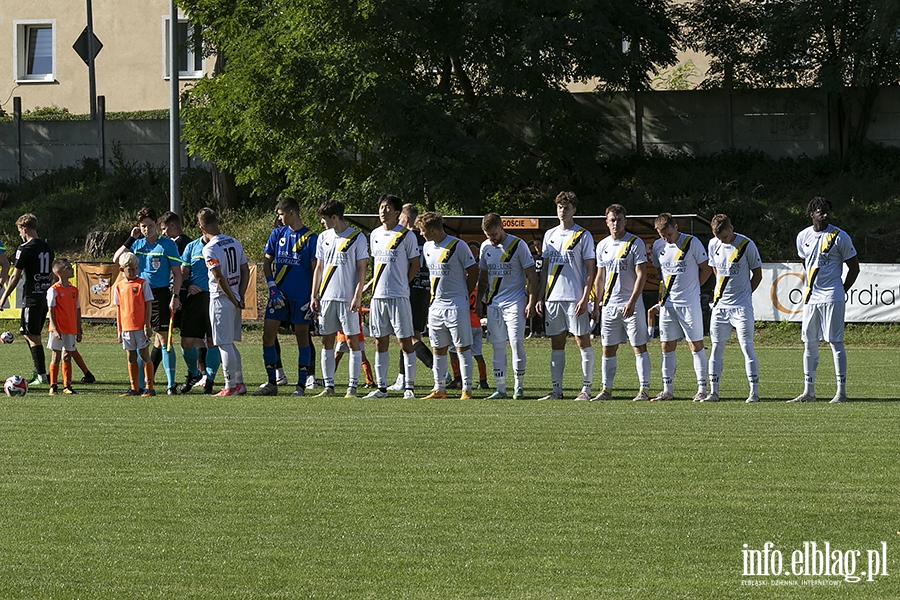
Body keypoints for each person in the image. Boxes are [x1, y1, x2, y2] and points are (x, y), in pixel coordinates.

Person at [790, 197, 859, 403]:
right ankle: (808, 392)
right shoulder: (803, 236)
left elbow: (854, 267)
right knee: (809, 343)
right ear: (812, 214)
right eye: (821, 211)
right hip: (811, 297)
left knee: (835, 342)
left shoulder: (840, 236)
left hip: (832, 296)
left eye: (827, 211)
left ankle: (841, 392)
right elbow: (805, 261)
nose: (825, 214)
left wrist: (841, 289)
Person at [113, 207, 183, 395]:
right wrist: (131, 238)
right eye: (143, 226)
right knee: (138, 341)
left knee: (163, 338)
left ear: (156, 225)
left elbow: (177, 274)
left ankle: (170, 384)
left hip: (160, 294)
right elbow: (116, 259)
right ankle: (139, 385)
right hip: (137, 296)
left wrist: (175, 297)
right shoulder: (137, 245)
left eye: (150, 225)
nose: (147, 229)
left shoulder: (167, 245)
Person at [535, 192, 596, 401]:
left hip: (574, 297)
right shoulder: (549, 234)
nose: (563, 211)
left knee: (582, 341)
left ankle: (586, 390)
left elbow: (590, 269)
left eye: (567, 207)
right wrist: (540, 297)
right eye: (560, 207)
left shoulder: (583, 235)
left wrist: (585, 297)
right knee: (557, 343)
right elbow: (544, 270)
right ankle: (556, 390)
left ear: (574, 210)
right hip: (553, 297)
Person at [255, 197, 318, 397]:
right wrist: (272, 286)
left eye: (281, 214)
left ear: (291, 213)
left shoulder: (310, 238)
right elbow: (266, 262)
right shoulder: (277, 234)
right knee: (268, 335)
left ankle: (300, 385)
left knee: (302, 338)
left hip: (301, 297)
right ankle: (272, 382)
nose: (279, 218)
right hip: (278, 295)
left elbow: (317, 269)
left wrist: (314, 297)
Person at [590, 204, 652, 402]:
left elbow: (642, 274)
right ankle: (606, 390)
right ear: (606, 222)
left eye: (619, 220)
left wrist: (632, 301)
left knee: (638, 346)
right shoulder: (602, 245)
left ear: (625, 221)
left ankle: (644, 389)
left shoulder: (635, 243)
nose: (616, 224)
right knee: (607, 347)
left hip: (631, 305)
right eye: (612, 220)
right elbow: (600, 278)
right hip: (609, 305)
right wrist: (597, 305)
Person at [648, 213, 712, 402]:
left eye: (668, 233)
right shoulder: (658, 247)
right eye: (662, 235)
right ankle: (667, 390)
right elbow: (662, 274)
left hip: (689, 303)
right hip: (668, 304)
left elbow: (706, 268)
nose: (666, 238)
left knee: (696, 344)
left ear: (676, 227)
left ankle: (701, 389)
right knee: (666, 345)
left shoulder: (692, 243)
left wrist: (694, 288)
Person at [415, 211, 479, 400]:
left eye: (423, 230)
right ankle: (439, 389)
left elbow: (473, 271)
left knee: (462, 347)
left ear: (433, 230)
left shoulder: (458, 246)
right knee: (438, 348)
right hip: (436, 305)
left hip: (456, 304)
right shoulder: (427, 247)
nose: (421, 234)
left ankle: (466, 389)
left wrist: (464, 294)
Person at [310, 199, 369, 398]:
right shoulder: (323, 237)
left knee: (352, 342)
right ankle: (329, 386)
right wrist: (314, 294)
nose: (322, 223)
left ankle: (352, 387)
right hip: (327, 298)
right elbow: (319, 267)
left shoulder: (357, 237)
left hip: (347, 299)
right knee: (327, 340)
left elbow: (362, 269)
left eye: (324, 219)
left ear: (335, 217)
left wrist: (358, 295)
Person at [364, 194, 421, 399]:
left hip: (399, 296)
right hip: (378, 296)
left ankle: (409, 388)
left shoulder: (407, 236)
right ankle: (381, 388)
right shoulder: (375, 234)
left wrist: (403, 283)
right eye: (381, 207)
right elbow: (376, 265)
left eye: (387, 207)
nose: (383, 211)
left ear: (397, 212)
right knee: (380, 341)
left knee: (405, 341)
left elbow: (415, 264)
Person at [476, 213, 537, 400]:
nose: (491, 239)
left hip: (515, 301)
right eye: (488, 235)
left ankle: (519, 387)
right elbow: (483, 277)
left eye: (493, 234)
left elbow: (532, 275)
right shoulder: (485, 247)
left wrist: (532, 302)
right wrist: (479, 300)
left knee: (516, 343)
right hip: (494, 303)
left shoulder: (519, 245)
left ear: (501, 227)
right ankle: (500, 389)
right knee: (497, 346)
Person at [705, 214, 763, 403]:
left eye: (725, 237)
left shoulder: (747, 245)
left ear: (731, 228)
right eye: (719, 238)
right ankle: (713, 392)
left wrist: (745, 294)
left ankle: (753, 392)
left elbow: (757, 274)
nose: (722, 240)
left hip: (741, 307)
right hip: (720, 306)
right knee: (716, 348)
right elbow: (715, 268)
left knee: (746, 346)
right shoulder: (713, 244)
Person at [198, 207, 250, 396]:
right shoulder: (234, 242)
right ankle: (239, 383)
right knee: (230, 343)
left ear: (200, 227)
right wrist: (240, 295)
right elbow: (245, 270)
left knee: (223, 343)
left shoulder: (209, 248)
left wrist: (232, 296)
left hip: (222, 298)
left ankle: (229, 386)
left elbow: (219, 277)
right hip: (235, 296)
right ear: (217, 221)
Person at [0, 213, 54, 385]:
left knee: (32, 336)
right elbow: (52, 274)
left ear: (24, 228)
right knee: (29, 334)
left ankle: (42, 376)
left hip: (31, 297)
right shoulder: (47, 247)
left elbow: (15, 276)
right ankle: (38, 371)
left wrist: (3, 298)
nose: (19, 235)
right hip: (44, 297)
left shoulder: (25, 248)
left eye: (19, 231)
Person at [388, 203, 434, 390]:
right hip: (424, 289)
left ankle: (437, 369)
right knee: (409, 334)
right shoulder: (426, 239)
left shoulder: (407, 237)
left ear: (405, 219)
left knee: (408, 336)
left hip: (409, 289)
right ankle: (402, 377)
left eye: (399, 219)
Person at [179, 230, 221, 394]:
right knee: (186, 342)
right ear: (201, 227)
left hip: (214, 297)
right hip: (195, 299)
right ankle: (193, 373)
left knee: (212, 341)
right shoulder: (191, 247)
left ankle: (209, 380)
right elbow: (183, 272)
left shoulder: (221, 245)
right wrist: (188, 284)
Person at [113, 252, 156, 397]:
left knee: (144, 355)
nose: (133, 272)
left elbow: (148, 304)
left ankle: (149, 387)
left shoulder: (142, 283)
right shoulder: (119, 287)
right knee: (130, 356)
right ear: (122, 270)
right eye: (130, 269)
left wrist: (147, 325)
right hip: (126, 327)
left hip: (140, 326)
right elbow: (118, 309)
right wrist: (119, 329)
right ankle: (134, 387)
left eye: (135, 268)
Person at [46, 258, 82, 395]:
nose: (71, 269)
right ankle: (53, 385)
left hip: (70, 327)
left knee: (67, 356)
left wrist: (79, 328)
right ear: (59, 272)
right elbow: (51, 310)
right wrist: (54, 329)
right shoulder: (53, 290)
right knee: (56, 355)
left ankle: (67, 385)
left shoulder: (74, 290)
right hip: (58, 328)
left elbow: (77, 310)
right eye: (68, 268)